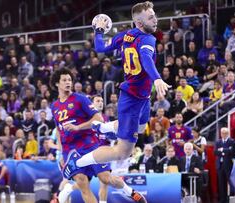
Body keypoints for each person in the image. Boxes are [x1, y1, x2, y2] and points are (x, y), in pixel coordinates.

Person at [63, 1, 170, 174]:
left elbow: (100, 47)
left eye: (154, 15)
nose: (155, 20)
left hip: (142, 98)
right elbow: (146, 58)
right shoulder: (148, 39)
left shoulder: (125, 35)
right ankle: (78, 162)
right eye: (151, 18)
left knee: (142, 128)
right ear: (140, 23)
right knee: (123, 153)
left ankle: (104, 128)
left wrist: (98, 31)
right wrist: (157, 78)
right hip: (132, 101)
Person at [50, 68, 146, 203]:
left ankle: (130, 191)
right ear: (56, 84)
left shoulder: (80, 99)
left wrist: (78, 127)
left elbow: (98, 118)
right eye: (64, 80)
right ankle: (67, 191)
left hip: (89, 144)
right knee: (82, 183)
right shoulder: (54, 106)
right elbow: (58, 129)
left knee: (106, 178)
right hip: (70, 150)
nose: (68, 82)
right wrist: (61, 152)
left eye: (70, 80)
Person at [214, 127, 235, 203]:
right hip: (220, 165)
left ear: (228, 133)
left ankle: (231, 199)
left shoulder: (232, 141)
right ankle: (222, 200)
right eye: (222, 133)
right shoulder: (218, 142)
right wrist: (226, 151)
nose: (223, 134)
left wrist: (222, 150)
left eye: (225, 133)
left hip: (229, 165)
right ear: (220, 134)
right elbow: (215, 152)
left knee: (231, 183)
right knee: (221, 184)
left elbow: (233, 151)